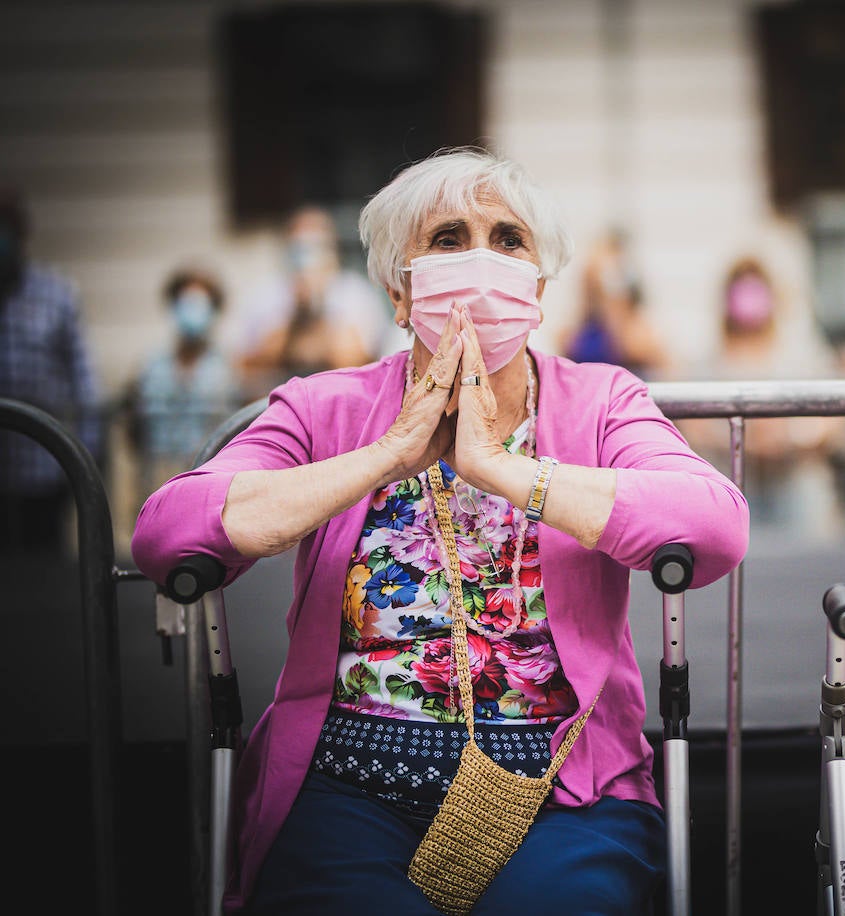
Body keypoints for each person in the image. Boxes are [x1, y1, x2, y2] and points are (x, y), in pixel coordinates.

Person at [130, 146, 749, 915]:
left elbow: (715, 525)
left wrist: (503, 470)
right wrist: (385, 456)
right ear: (398, 290)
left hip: (566, 790)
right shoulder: (325, 409)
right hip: (347, 787)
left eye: (509, 240)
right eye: (448, 239)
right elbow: (166, 534)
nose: (482, 261)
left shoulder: (600, 401)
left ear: (539, 288)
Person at [677, 256, 845, 539]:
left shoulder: (800, 354)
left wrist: (791, 435)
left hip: (796, 486)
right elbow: (691, 426)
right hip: (731, 488)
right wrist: (739, 440)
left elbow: (835, 416)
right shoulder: (708, 359)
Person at [0, 184, 104, 553]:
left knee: (41, 575)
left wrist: (85, 465)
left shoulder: (55, 293)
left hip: (42, 468)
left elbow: (85, 382)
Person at [234, 204, 406, 398]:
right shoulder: (265, 294)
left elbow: (357, 359)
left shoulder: (356, 292)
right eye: (301, 245)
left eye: (316, 245)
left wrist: (319, 303)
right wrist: (300, 311)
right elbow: (247, 364)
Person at [128, 264, 243, 499]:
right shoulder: (151, 365)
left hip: (210, 487)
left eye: (200, 305)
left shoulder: (228, 369)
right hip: (156, 483)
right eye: (186, 303)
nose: (192, 312)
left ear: (213, 310)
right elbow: (134, 426)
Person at [559, 230, 671, 379]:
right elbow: (566, 347)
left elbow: (630, 348)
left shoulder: (637, 329)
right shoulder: (580, 328)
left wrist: (612, 295)